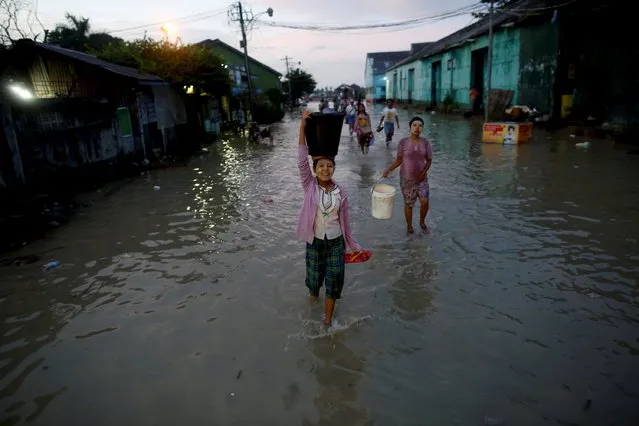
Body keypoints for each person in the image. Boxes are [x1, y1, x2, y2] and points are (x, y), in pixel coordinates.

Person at [297, 110, 362, 327]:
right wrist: (302, 127)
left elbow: (346, 223)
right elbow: (301, 159)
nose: (325, 169)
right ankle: (313, 299)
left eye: (329, 165)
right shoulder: (309, 187)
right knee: (314, 281)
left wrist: (353, 245)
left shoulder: (341, 192)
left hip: (336, 242)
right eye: (321, 166)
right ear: (315, 170)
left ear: (334, 168)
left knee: (335, 280)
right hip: (314, 242)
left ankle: (327, 321)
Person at [382, 116, 432, 234]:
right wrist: (388, 169)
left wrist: (423, 173)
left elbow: (429, 160)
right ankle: (409, 226)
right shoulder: (403, 142)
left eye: (420, 126)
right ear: (410, 127)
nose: (417, 128)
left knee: (424, 201)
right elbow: (399, 160)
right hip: (406, 179)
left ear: (422, 129)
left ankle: (422, 222)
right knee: (409, 204)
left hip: (422, 178)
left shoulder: (425, 143)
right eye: (414, 125)